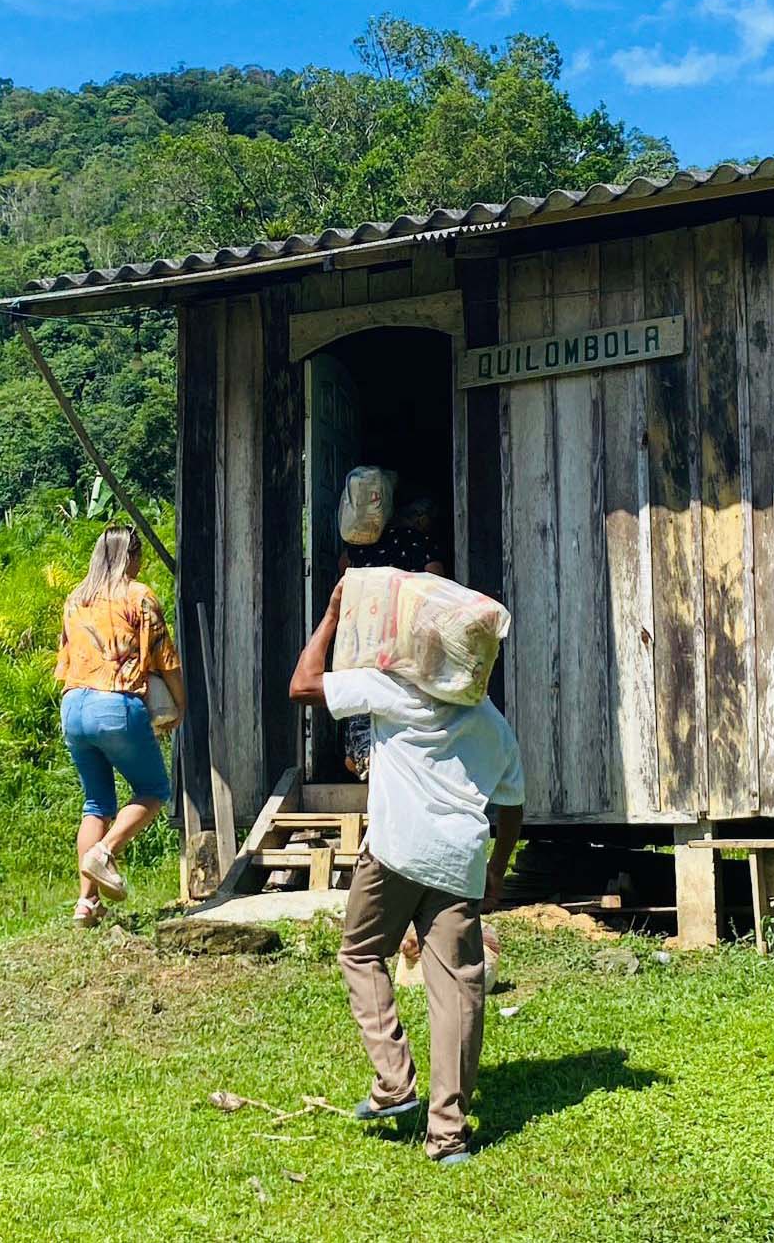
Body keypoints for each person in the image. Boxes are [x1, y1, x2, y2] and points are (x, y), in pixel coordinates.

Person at [289, 580, 524, 1165]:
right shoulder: (493, 724)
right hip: (459, 859)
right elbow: (513, 805)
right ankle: (448, 1135)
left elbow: (302, 685)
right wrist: (496, 870)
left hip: (396, 851)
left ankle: (394, 1081)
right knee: (458, 991)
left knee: (361, 953)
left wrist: (332, 613)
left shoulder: (393, 689)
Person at [55, 524, 185, 926]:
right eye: (139, 554)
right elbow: (166, 658)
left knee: (96, 804)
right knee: (153, 789)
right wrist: (181, 705)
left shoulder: (76, 598)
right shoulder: (137, 594)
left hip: (72, 706)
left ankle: (86, 904)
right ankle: (105, 851)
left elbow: (64, 655)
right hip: (114, 703)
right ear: (131, 556)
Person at [339, 494, 445, 781]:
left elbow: (343, 577)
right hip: (405, 642)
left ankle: (363, 758)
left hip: (365, 638)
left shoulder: (358, 546)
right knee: (404, 700)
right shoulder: (421, 543)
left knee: (363, 697)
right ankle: (403, 763)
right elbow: (438, 584)